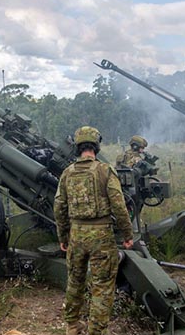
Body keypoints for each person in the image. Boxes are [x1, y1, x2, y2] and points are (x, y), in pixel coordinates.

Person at [54, 126, 134, 335]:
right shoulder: (105, 170)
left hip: (76, 236)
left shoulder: (67, 173)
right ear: (96, 146)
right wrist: (127, 235)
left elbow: (59, 207)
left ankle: (72, 325)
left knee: (75, 281)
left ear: (77, 146)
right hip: (101, 238)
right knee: (102, 285)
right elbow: (119, 206)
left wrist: (63, 236)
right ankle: (96, 331)